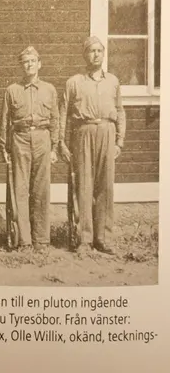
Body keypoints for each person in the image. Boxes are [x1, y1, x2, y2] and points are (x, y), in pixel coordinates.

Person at [59, 36, 126, 255]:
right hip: (83, 132)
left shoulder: (113, 81)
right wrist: (61, 142)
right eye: (91, 51)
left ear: (103, 54)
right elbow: (63, 113)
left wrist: (119, 141)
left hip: (107, 131)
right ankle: (84, 240)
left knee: (105, 186)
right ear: (84, 55)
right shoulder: (74, 82)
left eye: (99, 51)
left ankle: (103, 238)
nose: (95, 55)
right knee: (84, 185)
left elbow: (120, 111)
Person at [0, 46, 59, 252]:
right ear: (21, 66)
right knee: (21, 189)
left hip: (43, 138)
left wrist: (54, 147)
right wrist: (4, 147)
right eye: (25, 62)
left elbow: (55, 119)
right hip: (20, 139)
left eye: (33, 61)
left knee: (41, 189)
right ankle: (24, 240)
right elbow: (4, 120)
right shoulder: (12, 90)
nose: (29, 65)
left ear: (39, 64)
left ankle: (41, 239)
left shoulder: (49, 90)